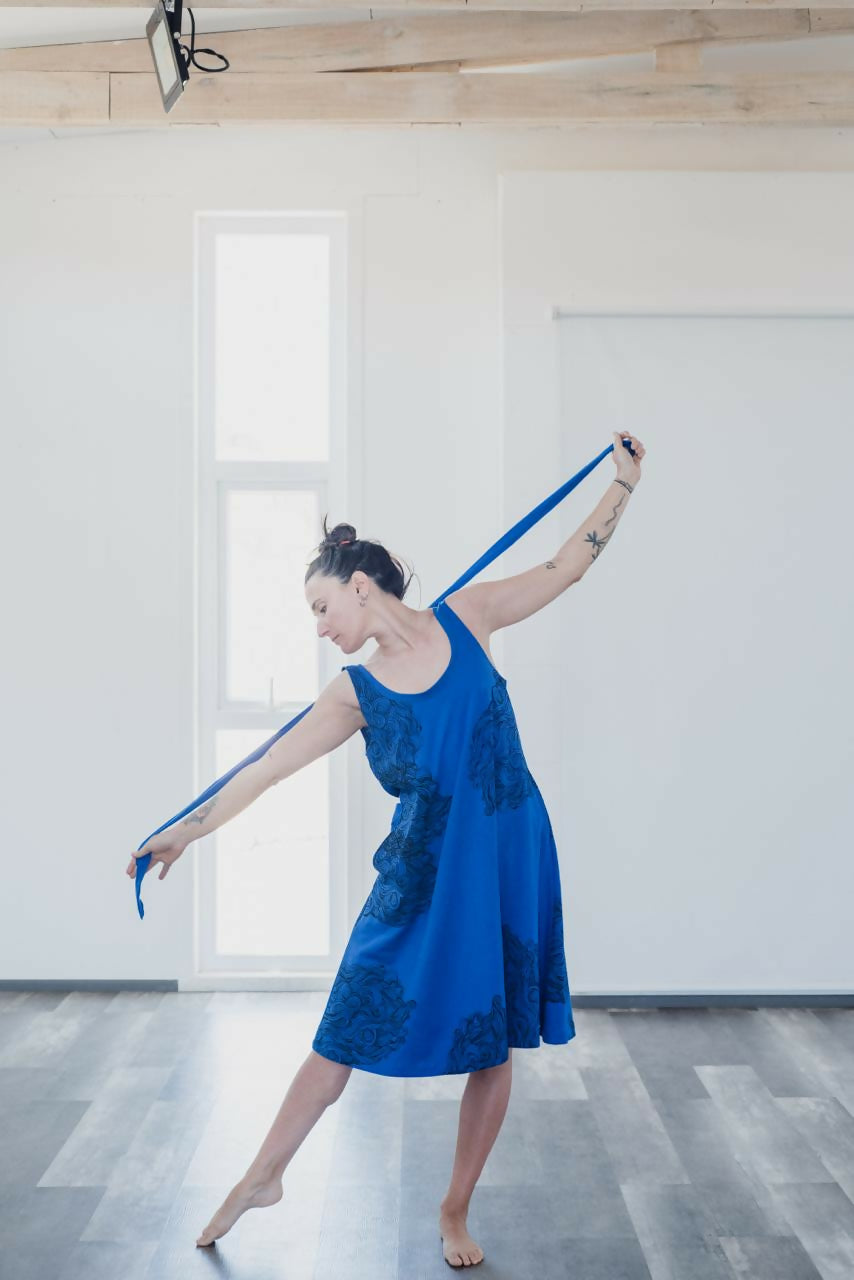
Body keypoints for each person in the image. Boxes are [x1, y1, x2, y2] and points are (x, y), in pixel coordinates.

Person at [126, 431, 645, 1267]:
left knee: (495, 1041)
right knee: (342, 1029)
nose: (319, 627)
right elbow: (267, 768)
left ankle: (454, 1210)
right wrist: (184, 832)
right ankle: (264, 1174)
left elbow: (565, 568)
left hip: (504, 857)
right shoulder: (355, 693)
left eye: (320, 608)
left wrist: (622, 485)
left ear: (359, 587)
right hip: (418, 875)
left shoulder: (469, 617)